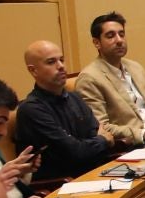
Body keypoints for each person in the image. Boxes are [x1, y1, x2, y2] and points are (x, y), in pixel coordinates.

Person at [74, 11, 145, 145]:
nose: (119, 40)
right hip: (137, 144)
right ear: (97, 43)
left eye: (121, 34)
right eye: (110, 36)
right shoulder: (89, 78)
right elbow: (102, 127)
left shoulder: (135, 67)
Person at [18, 39, 117, 183]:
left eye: (62, 60)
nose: (61, 66)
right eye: (51, 62)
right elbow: (76, 152)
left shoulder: (74, 97)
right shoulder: (32, 109)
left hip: (96, 173)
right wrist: (102, 140)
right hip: (63, 183)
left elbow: (97, 137)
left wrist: (96, 142)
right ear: (33, 70)